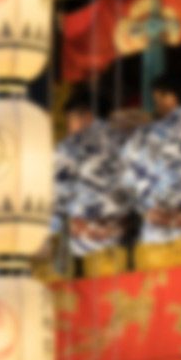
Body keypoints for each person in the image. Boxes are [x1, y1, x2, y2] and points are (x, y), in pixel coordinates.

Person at [120, 81, 181, 243]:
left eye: (157, 99)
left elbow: (126, 180)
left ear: (171, 98)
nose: (156, 106)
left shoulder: (143, 135)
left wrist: (145, 211)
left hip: (156, 228)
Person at [52, 100, 133, 256]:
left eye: (70, 120)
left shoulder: (70, 147)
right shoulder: (128, 141)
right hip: (124, 235)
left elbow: (56, 194)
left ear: (87, 117)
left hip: (86, 240)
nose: (69, 128)